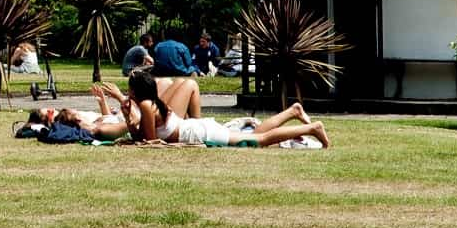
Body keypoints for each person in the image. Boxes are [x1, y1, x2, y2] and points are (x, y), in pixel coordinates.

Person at [126, 69, 329, 148]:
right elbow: (144, 136)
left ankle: (312, 128)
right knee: (257, 135)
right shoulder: (150, 103)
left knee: (260, 140)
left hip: (200, 132)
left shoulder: (145, 105)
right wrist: (128, 119)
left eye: (129, 88)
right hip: (198, 129)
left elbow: (150, 142)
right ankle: (293, 111)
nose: (128, 92)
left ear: (136, 90)